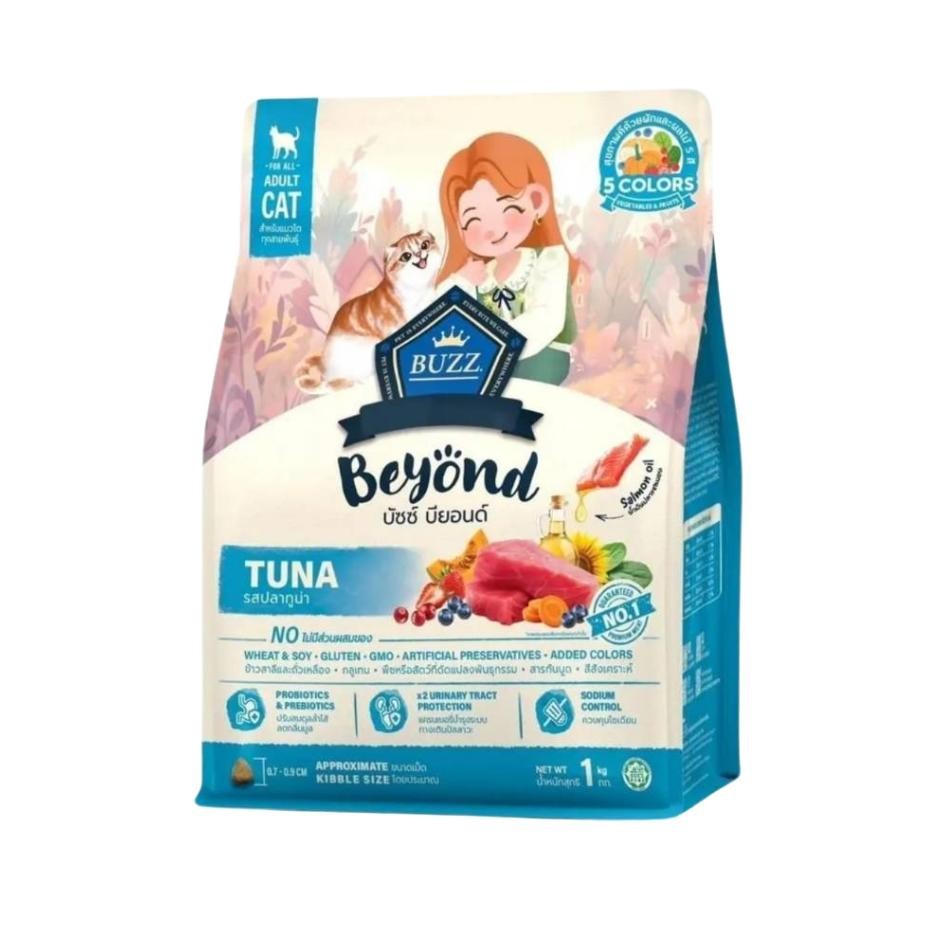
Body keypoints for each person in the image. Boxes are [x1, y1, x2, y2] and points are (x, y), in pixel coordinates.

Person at [437, 133, 577, 384]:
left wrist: (489, 347)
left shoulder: (548, 260)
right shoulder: (480, 275)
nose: (491, 229)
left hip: (541, 361)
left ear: (536, 201)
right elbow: (440, 315)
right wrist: (460, 280)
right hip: (492, 367)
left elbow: (546, 318)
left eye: (505, 208)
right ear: (459, 228)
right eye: (473, 219)